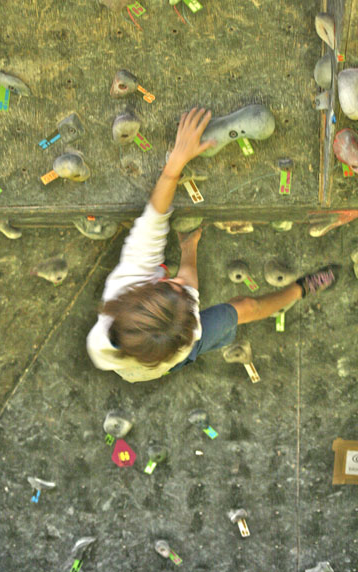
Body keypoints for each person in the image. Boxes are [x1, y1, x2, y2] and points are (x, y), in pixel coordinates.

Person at [87, 108, 338, 383]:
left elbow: (154, 215)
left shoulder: (126, 280)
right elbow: (187, 284)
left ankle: (187, 248)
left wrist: (176, 162)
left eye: (168, 286)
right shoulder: (187, 337)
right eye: (180, 291)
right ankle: (297, 291)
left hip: (150, 353)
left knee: (173, 269)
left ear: (137, 294)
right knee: (246, 307)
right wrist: (186, 258)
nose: (179, 281)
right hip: (162, 361)